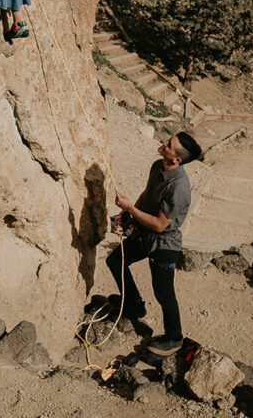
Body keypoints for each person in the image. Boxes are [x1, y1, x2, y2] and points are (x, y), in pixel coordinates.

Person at [107, 131, 202, 356]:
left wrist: (130, 208)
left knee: (164, 293)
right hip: (145, 234)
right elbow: (146, 194)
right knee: (115, 260)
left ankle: (174, 338)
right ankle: (134, 305)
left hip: (164, 244)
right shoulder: (158, 166)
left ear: (176, 160)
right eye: (168, 140)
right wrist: (127, 218)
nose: (164, 143)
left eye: (169, 145)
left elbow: (160, 224)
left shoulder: (179, 188)